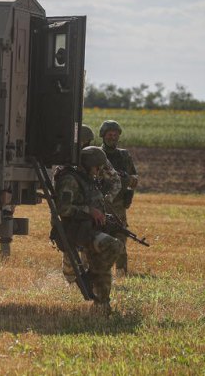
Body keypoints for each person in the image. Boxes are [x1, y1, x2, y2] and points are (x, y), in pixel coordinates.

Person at [55, 146, 124, 313]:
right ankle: (91, 276)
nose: (99, 171)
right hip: (76, 231)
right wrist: (90, 211)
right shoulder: (70, 180)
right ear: (87, 164)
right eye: (97, 167)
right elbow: (63, 209)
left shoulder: (86, 178)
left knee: (102, 263)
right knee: (112, 246)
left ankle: (102, 305)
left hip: (88, 229)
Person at [99, 120, 138, 276]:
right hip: (101, 203)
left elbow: (134, 178)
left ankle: (121, 272)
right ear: (103, 135)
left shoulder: (124, 155)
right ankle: (96, 271)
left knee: (120, 237)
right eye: (109, 134)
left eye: (115, 134)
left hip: (119, 204)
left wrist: (128, 188)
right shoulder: (97, 154)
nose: (113, 137)